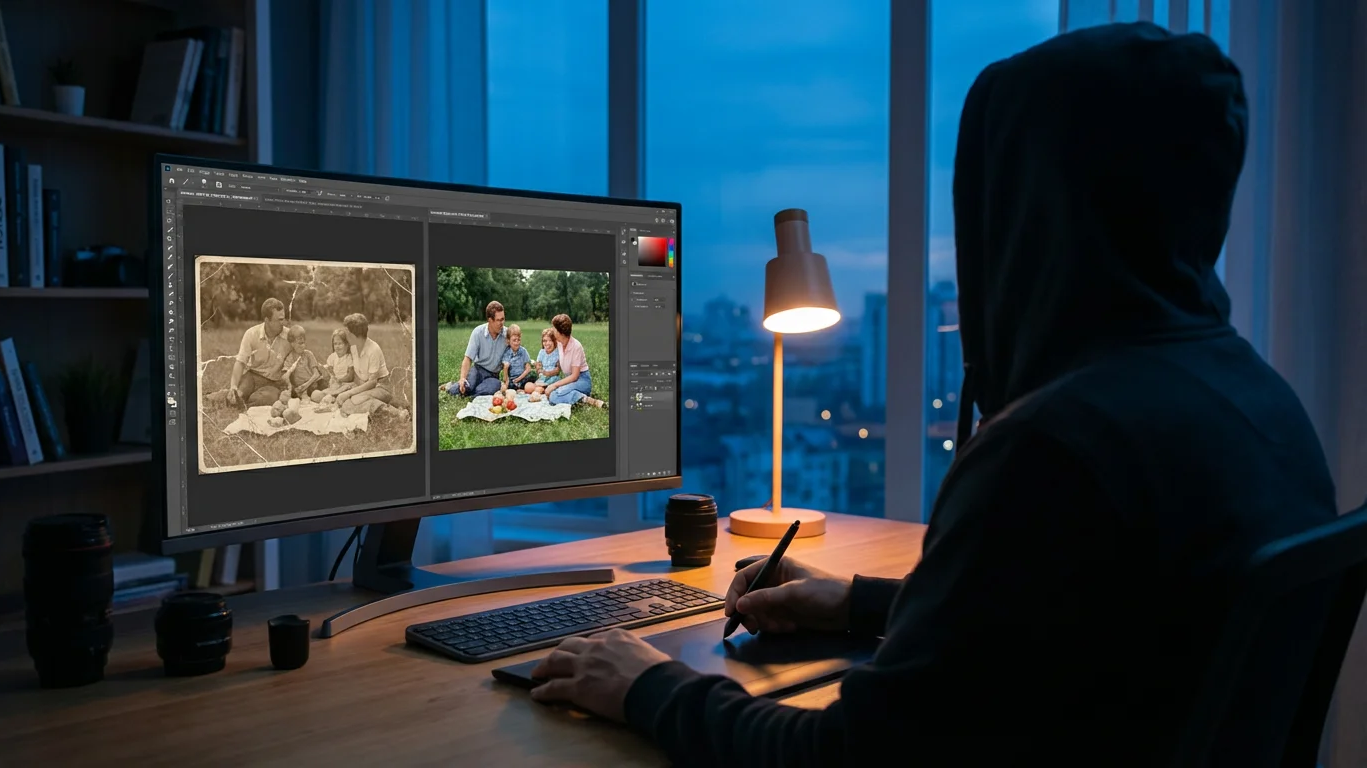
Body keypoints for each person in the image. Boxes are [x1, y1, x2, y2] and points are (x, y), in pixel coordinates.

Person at [526, 23, 1338, 765]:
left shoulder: (1057, 450)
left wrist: (648, 684)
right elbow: (1085, 623)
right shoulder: (1258, 406)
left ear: (1022, 214)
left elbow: (843, 757)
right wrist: (856, 602)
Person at [209, 297, 290, 408]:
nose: (283, 323)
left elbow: (298, 361)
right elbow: (240, 362)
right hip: (251, 377)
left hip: (273, 382)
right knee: (239, 393)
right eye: (279, 320)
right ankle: (234, 395)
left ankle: (236, 399)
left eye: (283, 319)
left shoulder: (289, 337)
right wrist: (233, 386)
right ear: (267, 320)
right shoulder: (251, 334)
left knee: (268, 398)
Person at [337, 312, 409, 420]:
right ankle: (390, 406)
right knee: (348, 402)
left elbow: (372, 382)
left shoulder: (373, 349)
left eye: (347, 332)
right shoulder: (353, 348)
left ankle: (397, 413)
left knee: (352, 402)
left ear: (353, 335)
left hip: (382, 388)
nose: (345, 336)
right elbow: (355, 374)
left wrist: (349, 393)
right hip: (365, 387)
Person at [441, 301, 509, 397]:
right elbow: (468, 359)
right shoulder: (478, 332)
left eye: (503, 319)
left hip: (493, 376)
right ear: (490, 320)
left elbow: (516, 352)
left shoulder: (507, 335)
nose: (502, 323)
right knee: (465, 387)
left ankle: (472, 393)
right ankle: (450, 387)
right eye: (499, 320)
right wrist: (462, 378)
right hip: (477, 371)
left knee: (492, 386)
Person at [543, 314, 606, 408]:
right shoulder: (559, 343)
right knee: (553, 394)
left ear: (561, 333)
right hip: (570, 381)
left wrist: (554, 385)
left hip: (582, 381)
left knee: (554, 395)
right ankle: (581, 398)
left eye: (554, 328)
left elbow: (574, 376)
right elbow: (548, 347)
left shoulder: (576, 346)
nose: (552, 330)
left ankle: (589, 400)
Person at [311, 328, 356, 403]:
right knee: (315, 395)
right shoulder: (332, 357)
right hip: (334, 386)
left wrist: (340, 380)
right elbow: (330, 372)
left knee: (346, 390)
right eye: (335, 344)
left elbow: (350, 376)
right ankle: (332, 397)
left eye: (340, 344)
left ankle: (334, 397)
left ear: (347, 345)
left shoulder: (349, 358)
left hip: (345, 384)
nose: (337, 346)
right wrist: (326, 373)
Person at [280, 325, 324, 401]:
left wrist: (305, 385)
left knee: (318, 391)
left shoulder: (308, 354)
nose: (302, 346)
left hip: (312, 384)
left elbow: (316, 374)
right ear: (292, 344)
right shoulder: (290, 358)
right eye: (299, 343)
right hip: (299, 388)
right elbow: (284, 376)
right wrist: (289, 374)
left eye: (303, 343)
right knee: (290, 395)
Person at [503, 325, 534, 391]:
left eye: (518, 340)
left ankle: (522, 389)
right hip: (513, 380)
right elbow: (505, 369)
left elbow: (528, 368)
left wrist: (519, 378)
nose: (517, 343)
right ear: (508, 341)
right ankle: (519, 389)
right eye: (514, 340)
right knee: (509, 386)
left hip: (523, 377)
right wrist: (506, 382)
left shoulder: (523, 351)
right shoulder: (507, 353)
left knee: (530, 380)